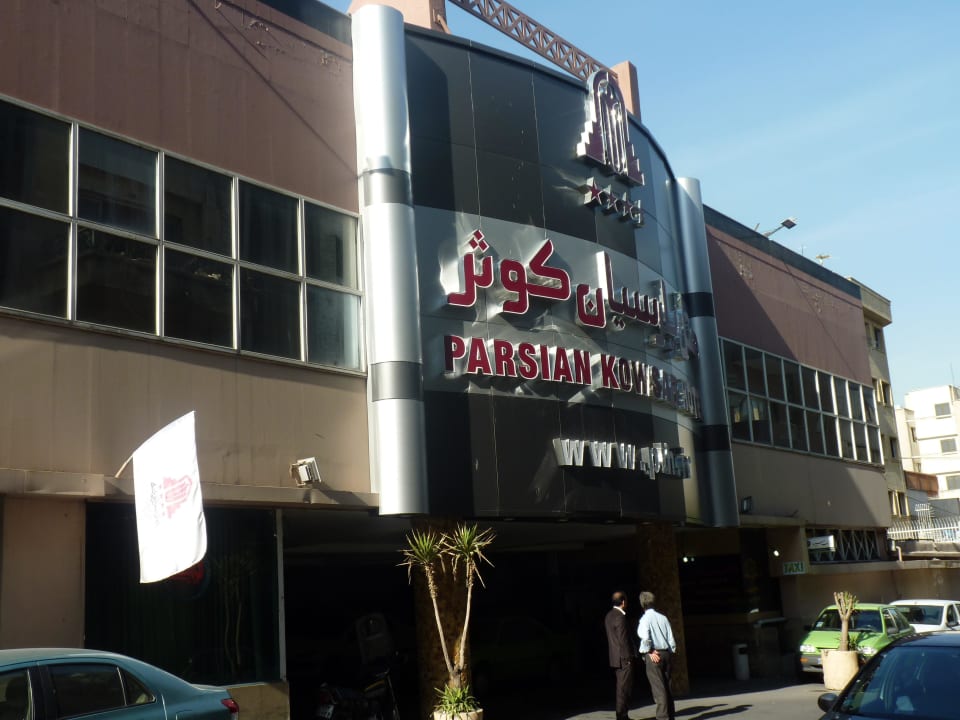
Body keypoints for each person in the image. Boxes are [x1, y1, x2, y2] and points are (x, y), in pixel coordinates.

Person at [636, 591, 677, 720]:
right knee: (668, 687)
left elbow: (645, 637)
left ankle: (662, 717)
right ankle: (670, 716)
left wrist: (648, 651)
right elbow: (671, 638)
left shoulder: (645, 619)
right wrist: (670, 651)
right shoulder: (663, 618)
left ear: (642, 604)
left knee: (659, 689)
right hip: (666, 653)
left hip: (655, 654)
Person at [604, 590, 636, 720]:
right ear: (623, 602)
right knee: (624, 688)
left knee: (621, 686)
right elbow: (623, 639)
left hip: (615, 657)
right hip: (624, 658)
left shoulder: (609, 615)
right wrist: (629, 657)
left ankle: (623, 714)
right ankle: (622, 715)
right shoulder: (620, 617)